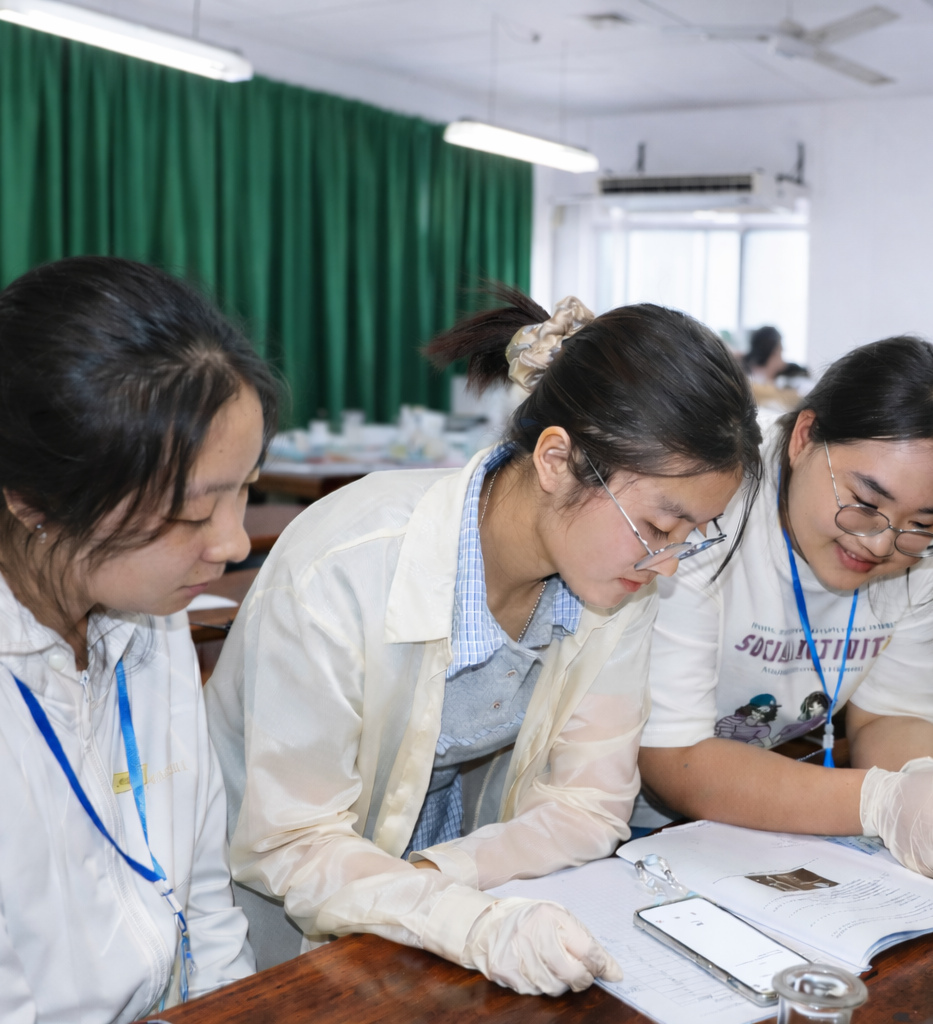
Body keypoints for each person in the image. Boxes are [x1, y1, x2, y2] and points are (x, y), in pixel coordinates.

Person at [206, 291, 761, 994]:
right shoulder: (346, 566)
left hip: (441, 918)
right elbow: (292, 840)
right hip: (273, 933)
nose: (668, 563)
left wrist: (441, 887)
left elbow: (589, 806)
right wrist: (459, 918)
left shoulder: (615, 582)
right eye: (657, 526)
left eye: (691, 536)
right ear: (556, 459)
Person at [0, 257, 272, 1021]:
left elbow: (204, 900)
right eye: (191, 511)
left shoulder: (148, 600)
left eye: (246, 487)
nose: (235, 542)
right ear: (37, 502)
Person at [635, 336, 933, 883]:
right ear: (805, 437)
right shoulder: (712, 506)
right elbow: (677, 759)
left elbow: (893, 713)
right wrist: (879, 801)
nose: (882, 545)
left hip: (762, 821)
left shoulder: (927, 553)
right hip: (625, 822)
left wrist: (924, 788)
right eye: (864, 503)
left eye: (924, 522)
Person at [743, 325, 809, 412]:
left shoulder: (785, 379)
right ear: (775, 351)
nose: (783, 350)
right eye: (781, 348)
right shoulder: (750, 385)